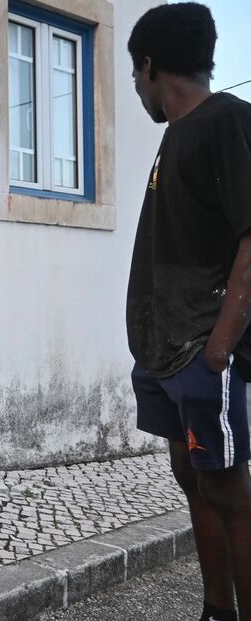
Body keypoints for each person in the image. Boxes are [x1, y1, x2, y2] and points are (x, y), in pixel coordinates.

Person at [126, 4, 251, 621]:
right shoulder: (175, 136)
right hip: (162, 354)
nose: (136, 87)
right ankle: (214, 610)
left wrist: (220, 346)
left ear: (149, 65)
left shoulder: (228, 121)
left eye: (134, 72)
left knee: (230, 493)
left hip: (202, 350)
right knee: (194, 481)